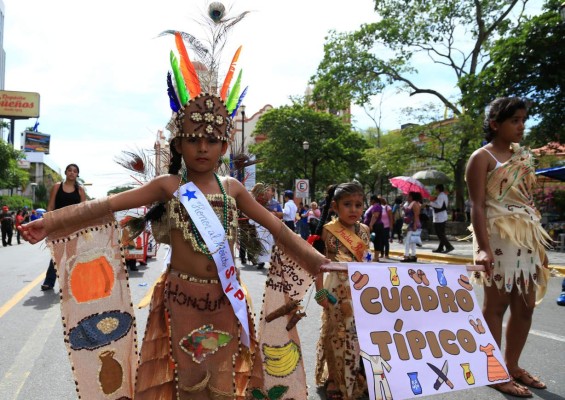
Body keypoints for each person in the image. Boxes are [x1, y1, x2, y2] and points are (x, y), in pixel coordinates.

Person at [19, 88, 328, 399]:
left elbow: (277, 227)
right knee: (185, 379)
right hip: (180, 300)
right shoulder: (170, 185)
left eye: (211, 141)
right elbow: (108, 204)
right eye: (193, 140)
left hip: (226, 300)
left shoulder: (233, 188)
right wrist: (50, 222)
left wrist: (318, 261)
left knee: (224, 378)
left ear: (223, 145)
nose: (202, 148)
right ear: (179, 144)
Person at [466, 97, 551, 398]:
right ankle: (493, 371)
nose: (521, 126)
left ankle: (512, 365)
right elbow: (477, 205)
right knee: (497, 306)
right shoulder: (482, 157)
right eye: (515, 120)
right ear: (494, 124)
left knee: (525, 306)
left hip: (526, 235)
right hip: (497, 236)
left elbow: (528, 200)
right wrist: (483, 248)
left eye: (523, 119)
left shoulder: (523, 157)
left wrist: (539, 245)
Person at [313, 182, 370, 400]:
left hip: (362, 289)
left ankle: (356, 375)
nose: (354, 209)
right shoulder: (327, 231)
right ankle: (334, 379)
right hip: (336, 289)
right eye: (348, 204)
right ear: (335, 206)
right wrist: (319, 292)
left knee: (358, 335)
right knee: (335, 334)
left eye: (358, 204)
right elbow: (316, 264)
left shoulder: (365, 231)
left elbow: (369, 260)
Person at [41, 164, 87, 291]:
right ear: (66, 172)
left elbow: (84, 210)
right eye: (69, 170)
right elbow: (50, 206)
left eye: (75, 171)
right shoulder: (57, 186)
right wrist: (48, 222)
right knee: (57, 253)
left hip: (74, 226)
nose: (72, 173)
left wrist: (83, 227)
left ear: (77, 174)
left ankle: (70, 283)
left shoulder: (80, 190)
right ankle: (49, 282)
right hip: (58, 225)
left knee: (72, 254)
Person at [429, 184, 454, 253]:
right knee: (442, 233)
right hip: (442, 216)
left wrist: (430, 203)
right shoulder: (444, 195)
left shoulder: (440, 196)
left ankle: (449, 246)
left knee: (439, 233)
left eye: (436, 189)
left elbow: (439, 206)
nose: (435, 191)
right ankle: (440, 248)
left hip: (439, 217)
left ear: (438, 189)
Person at [400, 191, 422, 262]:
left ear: (412, 197)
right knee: (412, 240)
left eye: (409, 196)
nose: (407, 197)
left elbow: (416, 215)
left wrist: (415, 225)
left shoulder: (415, 204)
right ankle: (413, 255)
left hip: (412, 224)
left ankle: (406, 256)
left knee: (407, 240)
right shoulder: (411, 203)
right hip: (410, 224)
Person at [364, 195, 382, 262]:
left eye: (370, 200)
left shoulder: (376, 206)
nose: (369, 201)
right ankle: (372, 257)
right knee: (369, 241)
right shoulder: (373, 206)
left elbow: (375, 216)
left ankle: (376, 257)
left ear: (373, 200)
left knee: (376, 241)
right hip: (373, 226)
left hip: (375, 226)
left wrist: (371, 224)